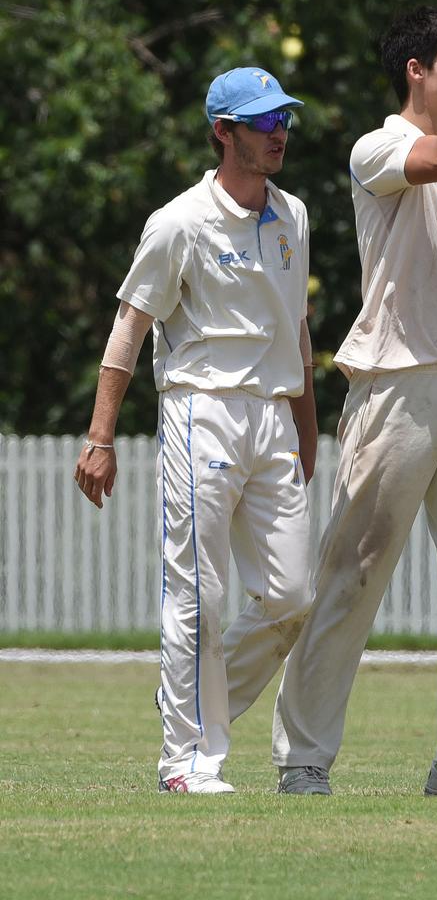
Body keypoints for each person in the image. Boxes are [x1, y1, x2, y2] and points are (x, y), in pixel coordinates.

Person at [272, 0, 437, 796]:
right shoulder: (376, 149)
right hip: (393, 385)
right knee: (353, 573)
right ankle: (304, 758)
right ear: (417, 72)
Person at [74, 67, 317, 794]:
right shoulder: (179, 221)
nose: (278, 134)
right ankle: (184, 759)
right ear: (223, 131)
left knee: (292, 595)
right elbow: (129, 329)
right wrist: (99, 436)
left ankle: (194, 713)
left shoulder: (295, 215)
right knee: (199, 595)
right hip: (197, 409)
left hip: (272, 415)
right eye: (263, 123)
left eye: (283, 121)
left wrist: (305, 429)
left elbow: (297, 329)